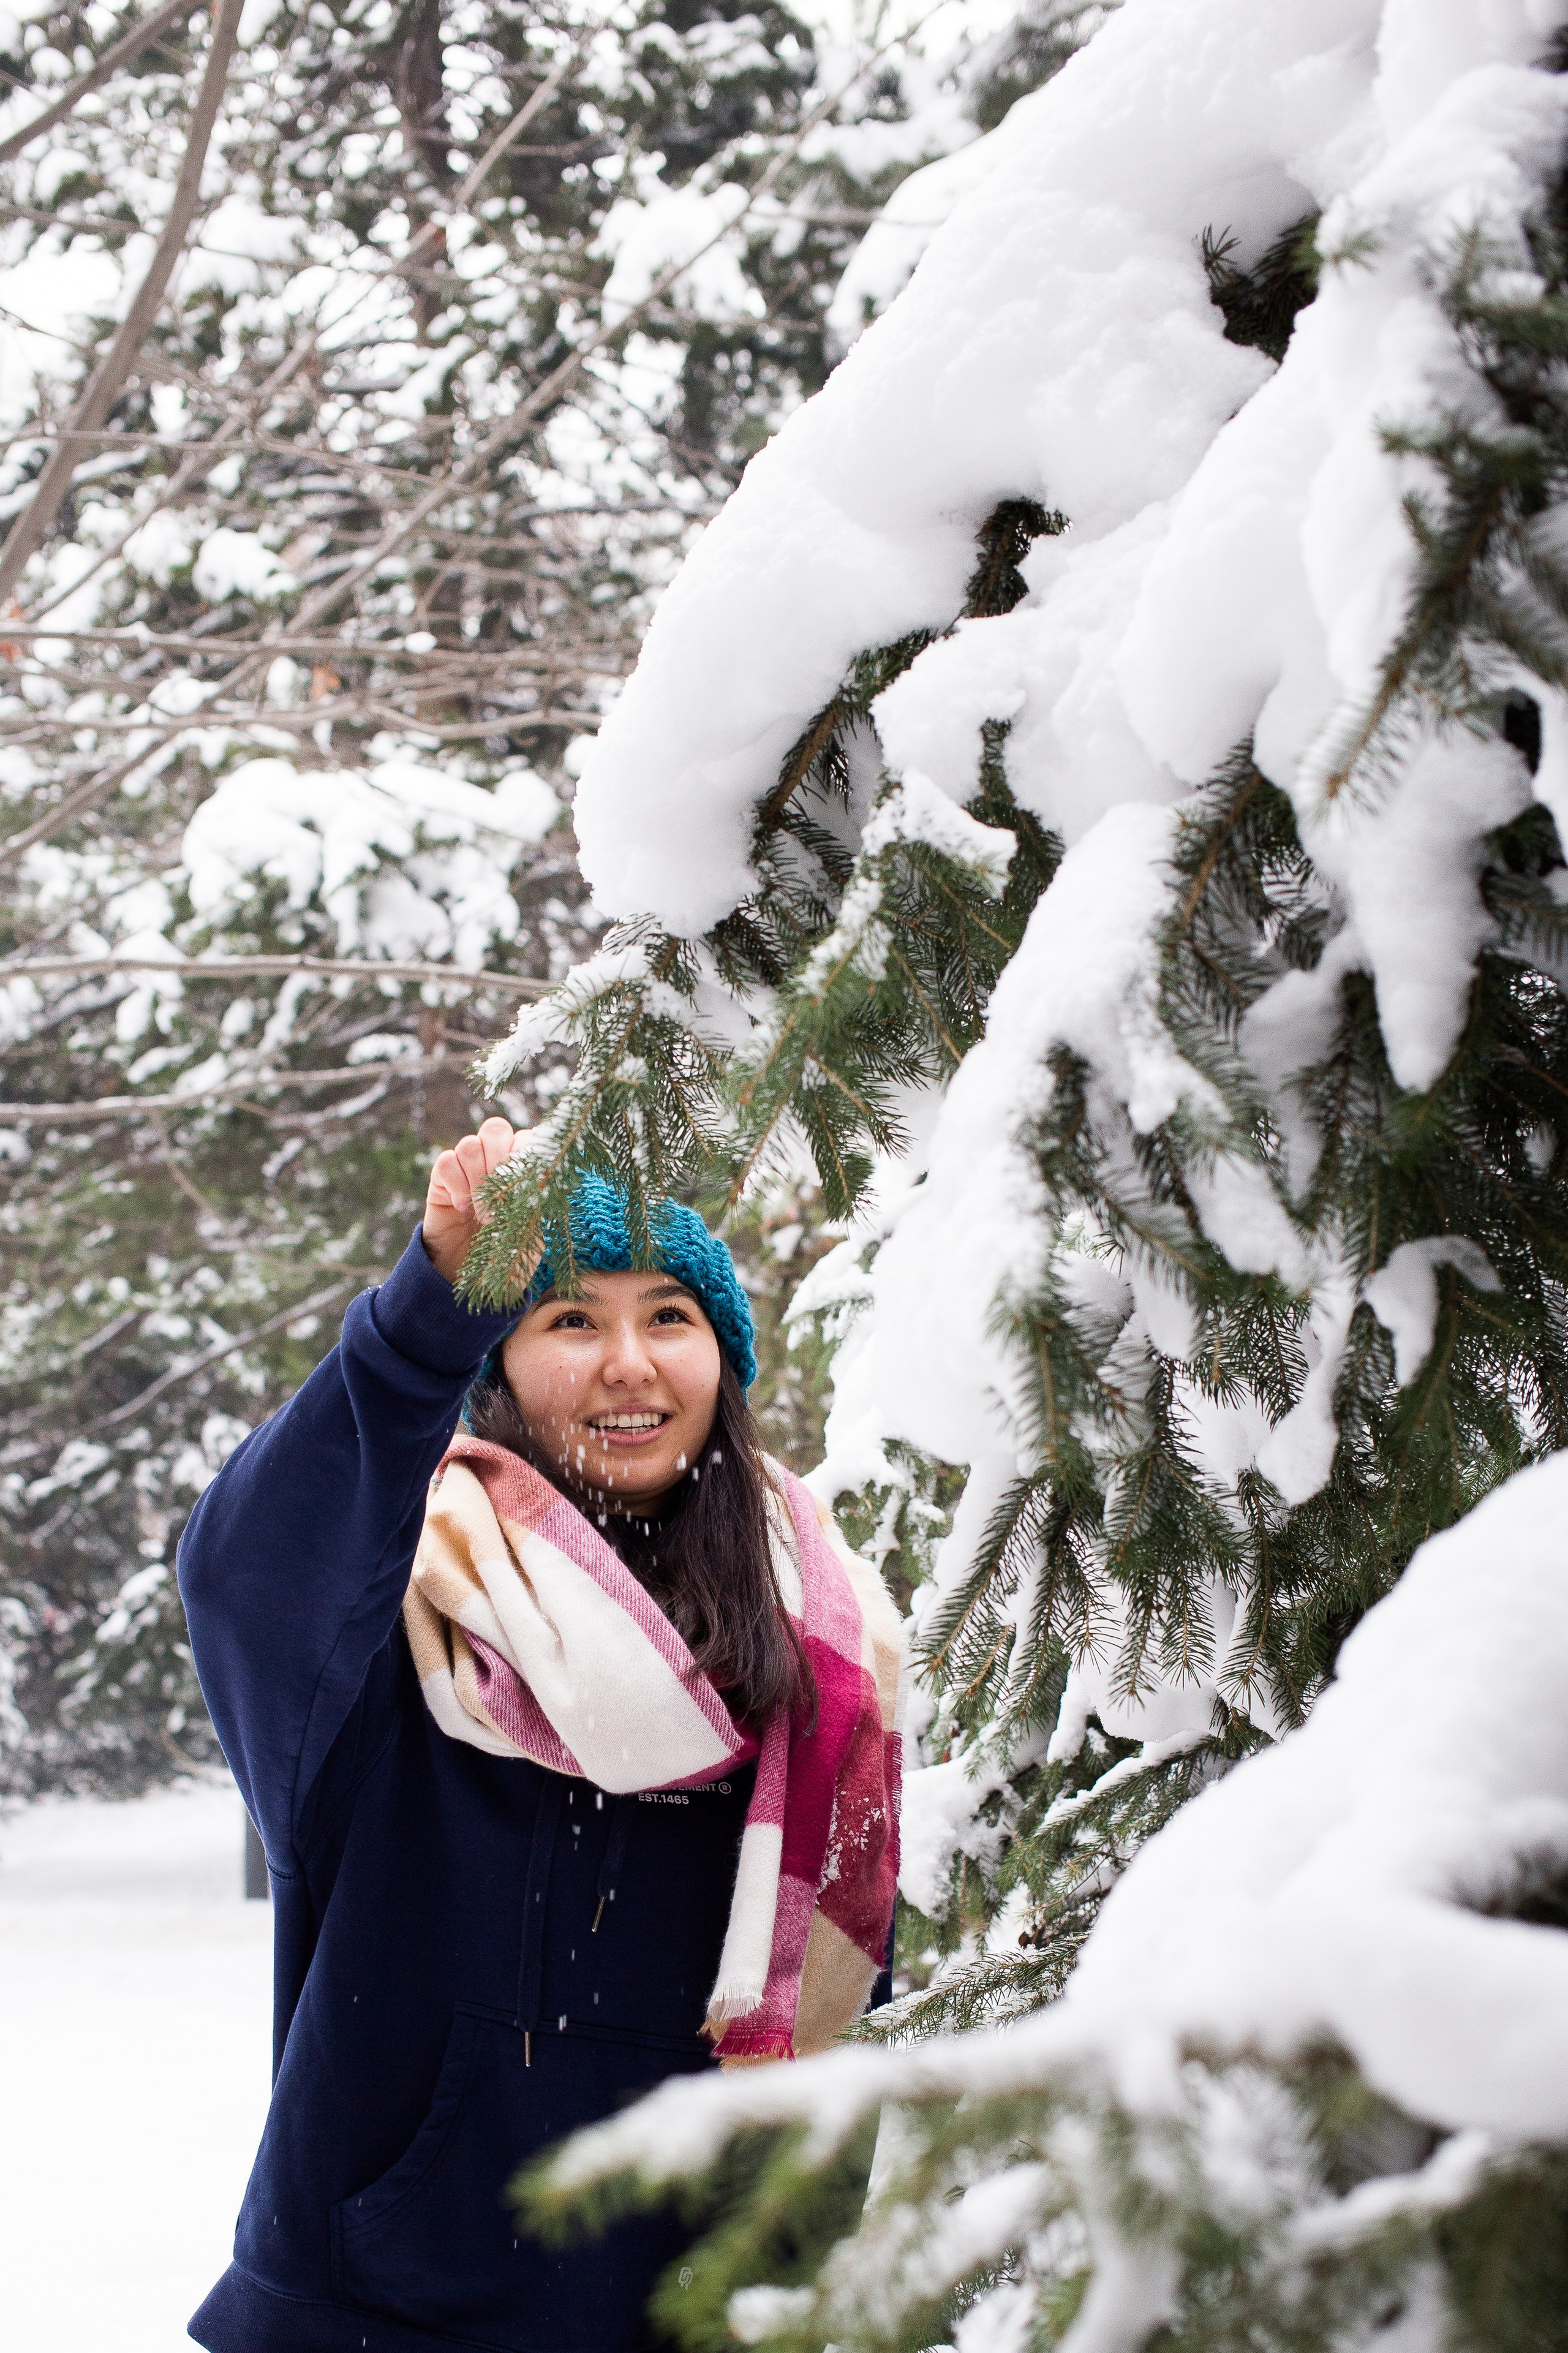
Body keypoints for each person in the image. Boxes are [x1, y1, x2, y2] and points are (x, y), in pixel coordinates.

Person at [179, 1119, 903, 2353]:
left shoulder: (826, 1650)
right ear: (500, 1365)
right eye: (571, 1319)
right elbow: (245, 1574)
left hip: (696, 2321)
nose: (628, 1362)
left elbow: (847, 2030)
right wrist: (425, 1317)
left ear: (722, 1362)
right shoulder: (400, 1622)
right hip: (378, 2317)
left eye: (669, 1316)